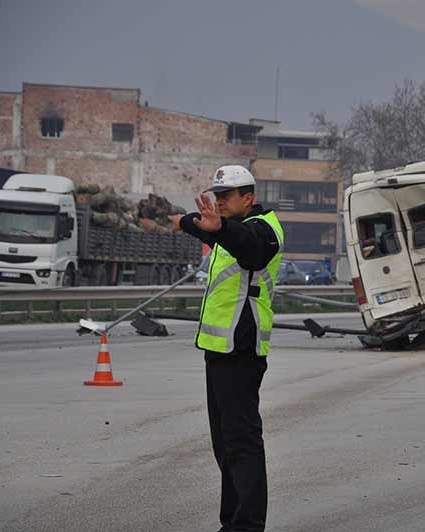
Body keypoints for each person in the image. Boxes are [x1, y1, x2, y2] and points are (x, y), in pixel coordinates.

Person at [169, 165, 283, 532]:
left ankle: (247, 525)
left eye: (226, 196)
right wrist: (185, 221)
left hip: (242, 348)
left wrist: (216, 228)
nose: (219, 202)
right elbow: (204, 225)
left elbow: (248, 249)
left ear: (248, 198)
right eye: (216, 196)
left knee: (242, 441)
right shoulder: (227, 227)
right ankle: (231, 521)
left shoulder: (263, 230)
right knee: (225, 444)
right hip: (220, 348)